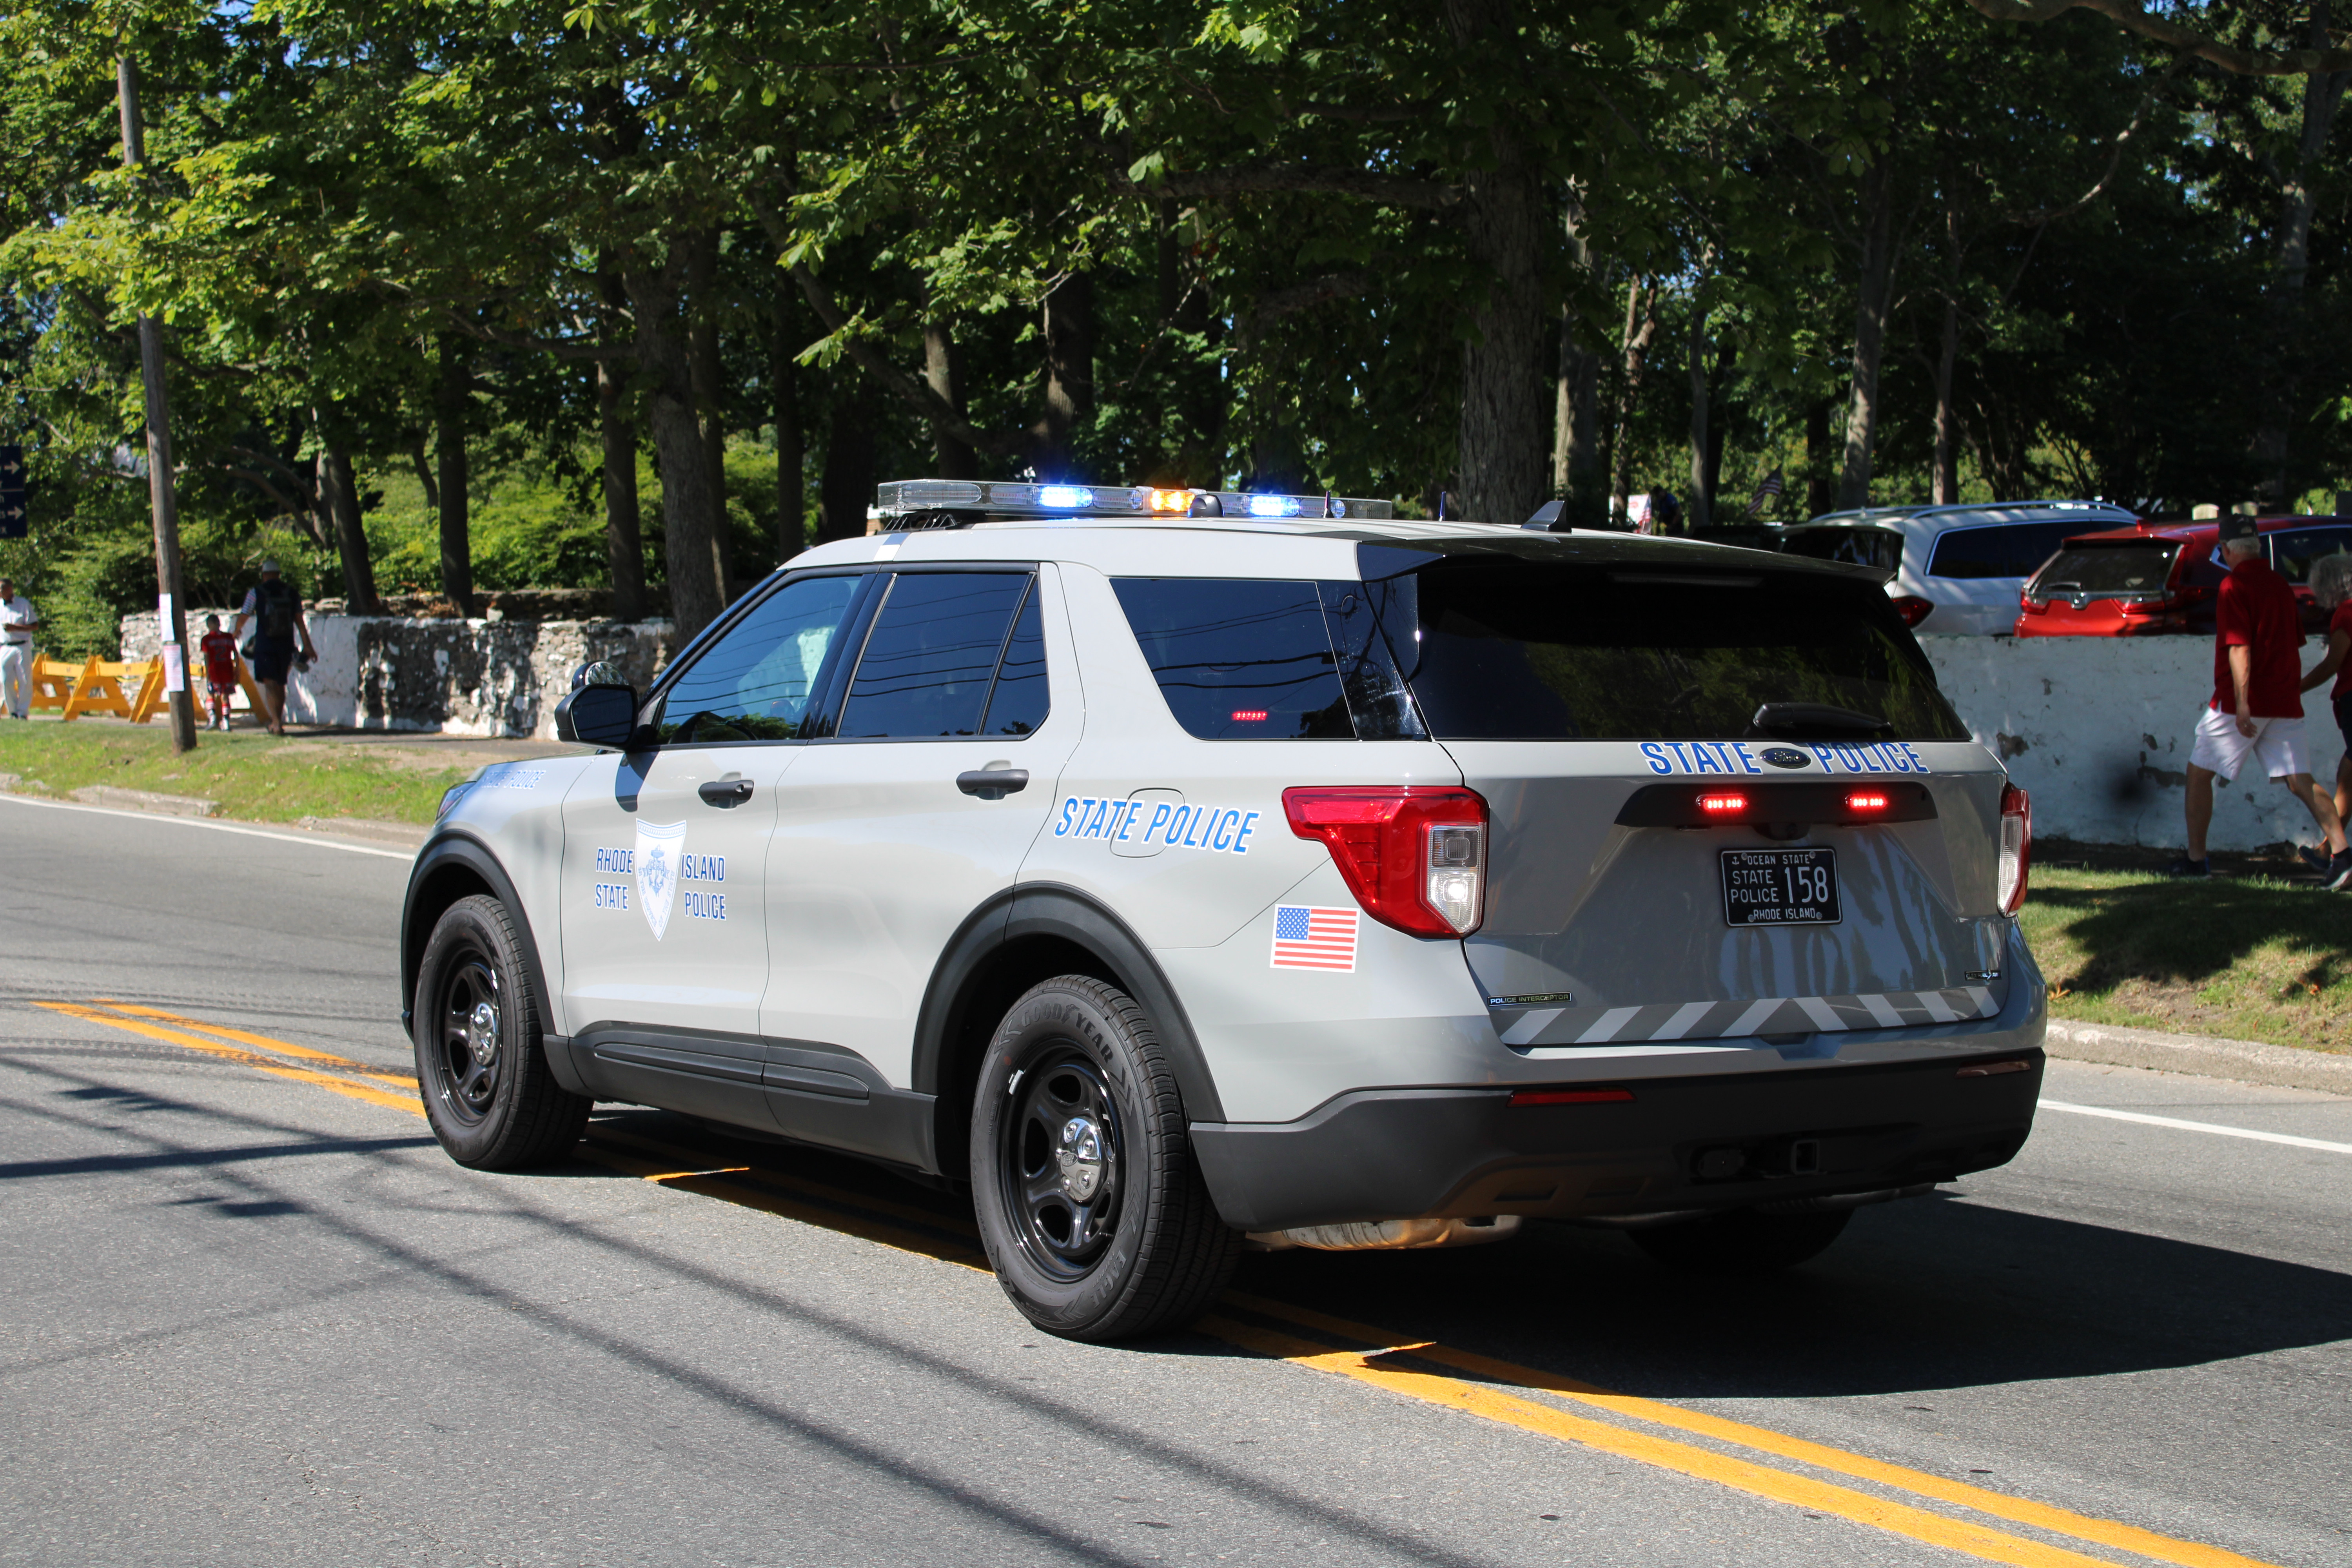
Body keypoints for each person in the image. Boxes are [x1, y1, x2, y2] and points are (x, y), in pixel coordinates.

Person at [2168, 516, 2352, 885]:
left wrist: (2243, 703)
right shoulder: (2281, 585)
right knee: (2300, 780)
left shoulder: (2233, 585)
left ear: (2229, 550)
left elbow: (2239, 648)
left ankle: (2196, 860)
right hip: (2284, 699)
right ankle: (2343, 855)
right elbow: (2293, 643)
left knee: (2199, 773)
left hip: (2243, 703)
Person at [2296, 552, 2352, 851]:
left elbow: (2333, 664)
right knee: (2348, 774)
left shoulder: (2346, 613)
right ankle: (2330, 848)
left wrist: (2297, 688)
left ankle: (2332, 848)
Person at [232, 560, 315, 737]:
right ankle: (278, 721)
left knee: (270, 684)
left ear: (264, 575)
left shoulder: (256, 593)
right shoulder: (292, 593)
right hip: (286, 644)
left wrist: (237, 630)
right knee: (281, 683)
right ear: (279, 574)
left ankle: (276, 723)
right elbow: (300, 621)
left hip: (265, 644)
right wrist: (308, 646)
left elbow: (245, 614)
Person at [0, 577, 38, 720]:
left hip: (22, 646)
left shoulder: (23, 604)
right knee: (4, 680)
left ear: (10, 589)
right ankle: (13, 711)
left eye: (2, 588)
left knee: (25, 680)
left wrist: (14, 628)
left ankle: (23, 712)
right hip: (5, 646)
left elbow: (35, 625)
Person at [197, 613, 240, 731]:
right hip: (227, 670)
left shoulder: (206, 640)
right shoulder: (228, 637)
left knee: (211, 694)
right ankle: (226, 721)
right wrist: (237, 668)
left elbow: (207, 657)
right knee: (225, 697)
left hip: (214, 671)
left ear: (209, 625)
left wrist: (208, 673)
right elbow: (236, 654)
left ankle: (213, 719)